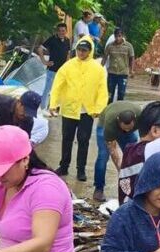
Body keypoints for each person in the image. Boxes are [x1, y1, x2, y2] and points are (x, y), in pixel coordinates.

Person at [49, 36, 108, 181]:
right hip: (69, 109)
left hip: (87, 111)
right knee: (67, 139)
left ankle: (81, 170)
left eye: (84, 50)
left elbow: (102, 90)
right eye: (79, 50)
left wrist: (99, 108)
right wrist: (53, 103)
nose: (81, 53)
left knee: (83, 140)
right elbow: (58, 85)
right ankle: (64, 166)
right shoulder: (68, 66)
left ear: (90, 51)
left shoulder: (98, 69)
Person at [93, 101, 141, 202]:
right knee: (103, 156)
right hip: (104, 126)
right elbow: (113, 150)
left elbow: (145, 138)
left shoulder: (140, 115)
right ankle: (98, 189)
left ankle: (135, 186)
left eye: (129, 128)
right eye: (125, 128)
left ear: (135, 120)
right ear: (119, 121)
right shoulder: (110, 122)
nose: (127, 131)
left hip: (126, 125)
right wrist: (121, 171)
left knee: (134, 154)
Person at [37, 23, 72, 110]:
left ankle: (52, 108)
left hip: (62, 70)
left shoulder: (67, 40)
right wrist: (44, 61)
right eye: (59, 31)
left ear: (66, 31)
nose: (61, 32)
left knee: (58, 90)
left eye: (63, 31)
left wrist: (67, 65)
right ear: (57, 31)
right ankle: (42, 108)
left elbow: (68, 53)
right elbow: (40, 49)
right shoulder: (52, 39)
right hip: (52, 69)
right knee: (47, 89)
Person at [102, 28, 135, 102]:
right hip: (112, 73)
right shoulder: (110, 46)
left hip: (123, 73)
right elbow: (105, 57)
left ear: (122, 36)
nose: (118, 38)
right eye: (116, 36)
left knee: (121, 93)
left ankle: (119, 109)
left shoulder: (129, 46)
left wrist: (132, 70)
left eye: (119, 36)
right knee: (110, 93)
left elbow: (132, 58)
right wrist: (100, 68)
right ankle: (109, 109)